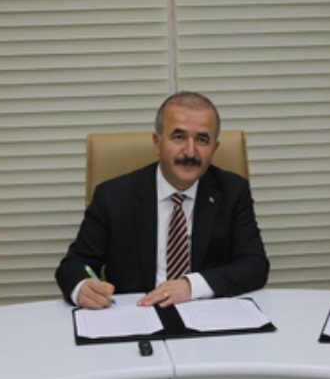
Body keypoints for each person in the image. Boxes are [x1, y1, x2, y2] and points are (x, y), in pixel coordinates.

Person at [55, 92, 269, 309]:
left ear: (214, 149)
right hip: (136, 312)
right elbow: (74, 265)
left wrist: (191, 286)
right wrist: (82, 288)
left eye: (202, 140)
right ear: (157, 143)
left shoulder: (233, 192)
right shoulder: (113, 196)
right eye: (179, 137)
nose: (190, 151)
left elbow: (255, 265)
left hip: (206, 312)